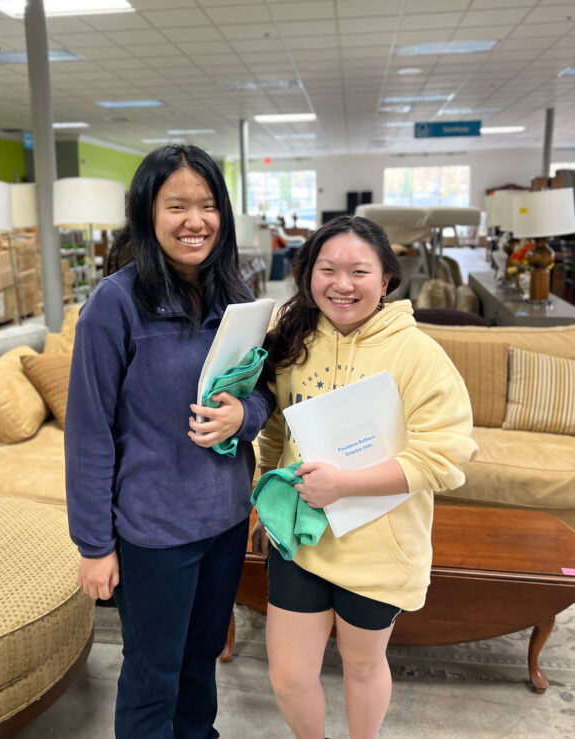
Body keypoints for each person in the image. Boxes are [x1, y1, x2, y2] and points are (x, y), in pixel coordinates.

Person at [65, 144, 274, 739]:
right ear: (147, 213)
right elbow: (88, 434)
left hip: (226, 521)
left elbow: (264, 392)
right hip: (154, 532)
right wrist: (93, 544)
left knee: (200, 660)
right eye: (176, 204)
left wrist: (246, 416)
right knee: (154, 672)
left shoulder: (237, 296)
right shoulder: (115, 305)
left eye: (208, 205)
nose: (195, 220)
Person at [252, 215, 476, 739]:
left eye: (359, 271)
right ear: (308, 275)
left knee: (363, 664)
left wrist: (345, 486)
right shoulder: (291, 341)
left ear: (386, 280)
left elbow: (444, 457)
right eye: (327, 269)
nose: (342, 284)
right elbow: (274, 432)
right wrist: (262, 498)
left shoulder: (417, 353)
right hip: (302, 540)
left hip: (380, 546)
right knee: (288, 678)